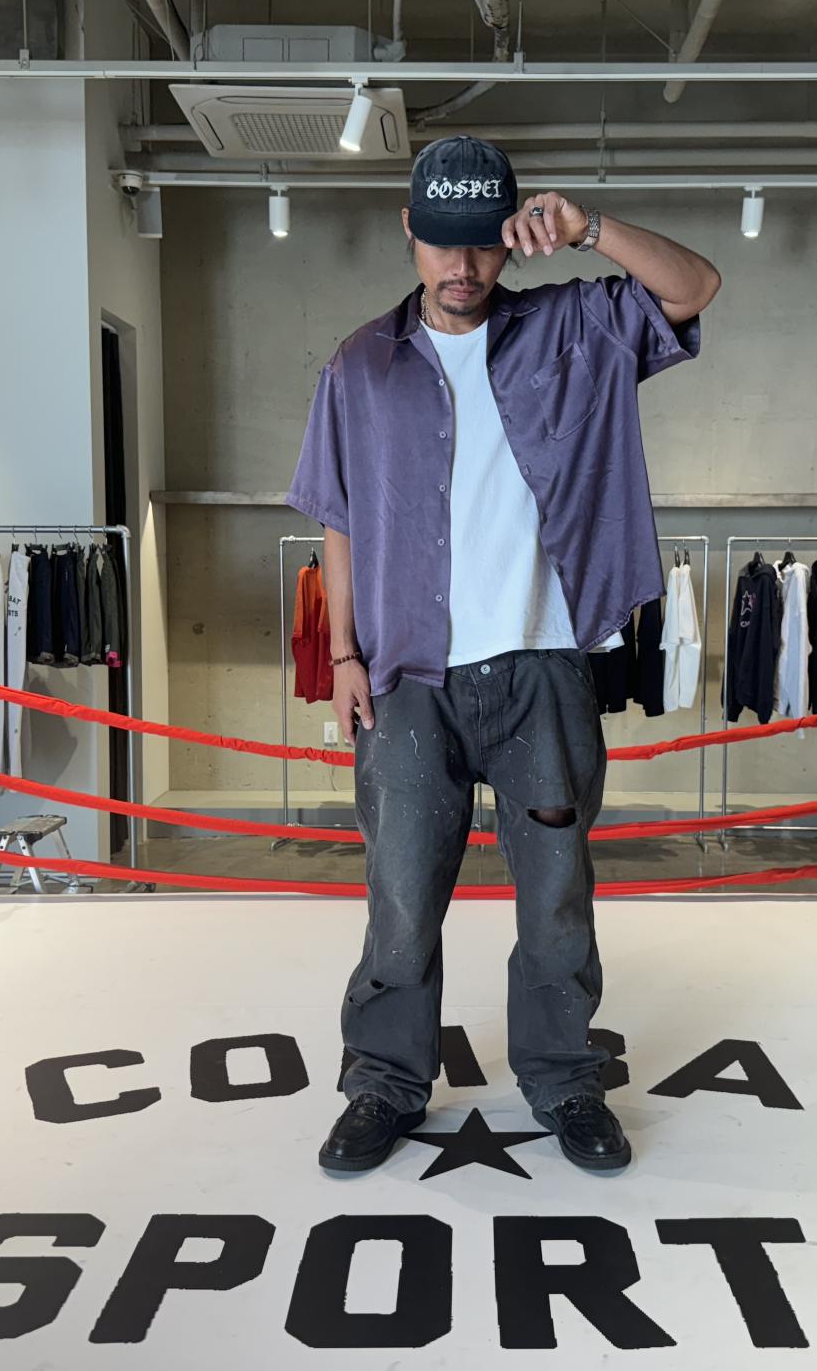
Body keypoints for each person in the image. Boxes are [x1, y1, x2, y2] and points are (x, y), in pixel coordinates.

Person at [286, 135, 720, 1173]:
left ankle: (566, 1080)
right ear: (409, 229)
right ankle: (384, 1083)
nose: (463, 265)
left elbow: (695, 287)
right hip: (407, 680)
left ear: (512, 238)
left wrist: (590, 227)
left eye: (483, 242)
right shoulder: (360, 363)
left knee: (557, 897)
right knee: (400, 897)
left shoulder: (576, 326)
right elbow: (337, 517)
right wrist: (342, 655)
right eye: (444, 241)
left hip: (543, 670)